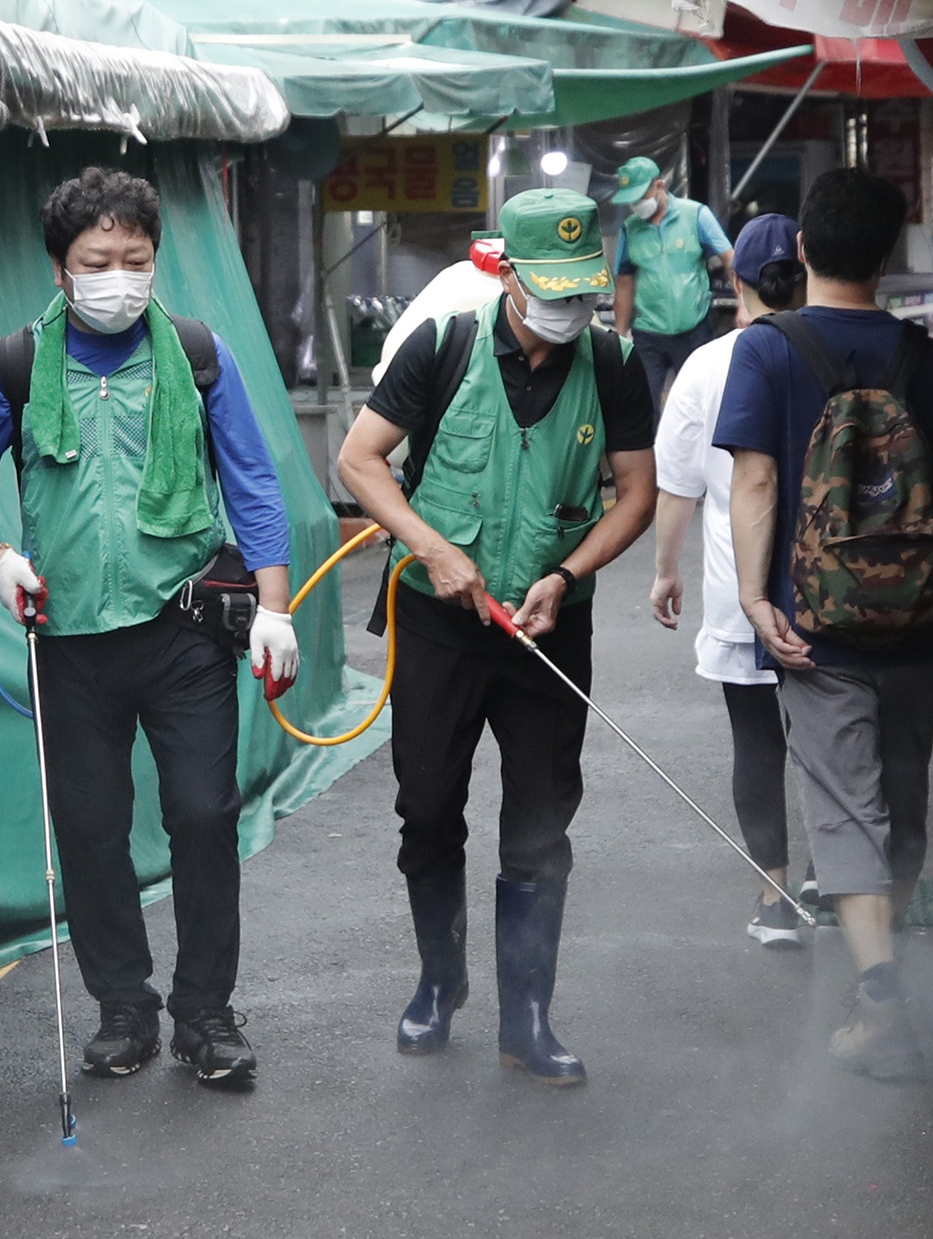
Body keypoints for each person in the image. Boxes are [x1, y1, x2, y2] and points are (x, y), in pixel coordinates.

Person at [0, 167, 297, 1085]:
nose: (120, 276)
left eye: (138, 258)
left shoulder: (201, 356)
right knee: (91, 829)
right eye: (98, 260)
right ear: (61, 269)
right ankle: (124, 1007)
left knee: (204, 816)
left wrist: (275, 609)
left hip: (185, 632)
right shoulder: (12, 367)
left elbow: (252, 483)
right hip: (72, 641)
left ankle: (206, 1013)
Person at [336, 188, 657, 1087]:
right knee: (429, 805)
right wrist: (433, 550)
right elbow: (359, 460)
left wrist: (567, 574)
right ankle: (440, 981)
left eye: (583, 289)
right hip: (439, 620)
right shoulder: (442, 345)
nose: (568, 308)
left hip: (550, 628)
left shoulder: (614, 360)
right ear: (507, 273)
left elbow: (636, 492)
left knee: (541, 821)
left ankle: (529, 1015)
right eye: (550, 288)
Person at [716, 169, 933, 1080]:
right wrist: (904, 562)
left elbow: (755, 481)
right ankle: (886, 973)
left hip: (812, 628)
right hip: (914, 627)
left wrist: (759, 600)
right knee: (902, 805)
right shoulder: (929, 360)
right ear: (887, 256)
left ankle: (880, 996)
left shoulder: (766, 350)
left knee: (843, 806)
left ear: (802, 250)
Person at [647, 213, 808, 950]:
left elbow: (676, 485)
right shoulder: (834, 349)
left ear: (734, 282)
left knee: (757, 742)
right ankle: (839, 880)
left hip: (741, 591)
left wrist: (663, 570)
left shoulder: (707, 366)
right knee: (836, 736)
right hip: (839, 589)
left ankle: (774, 897)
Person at [610, 155, 734, 416]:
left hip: (694, 329)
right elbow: (624, 281)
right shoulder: (630, 228)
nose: (637, 205)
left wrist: (744, 305)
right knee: (642, 406)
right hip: (648, 333)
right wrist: (620, 333)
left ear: (659, 185)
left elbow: (730, 260)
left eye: (640, 197)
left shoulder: (696, 215)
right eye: (632, 200)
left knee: (700, 406)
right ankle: (650, 457)